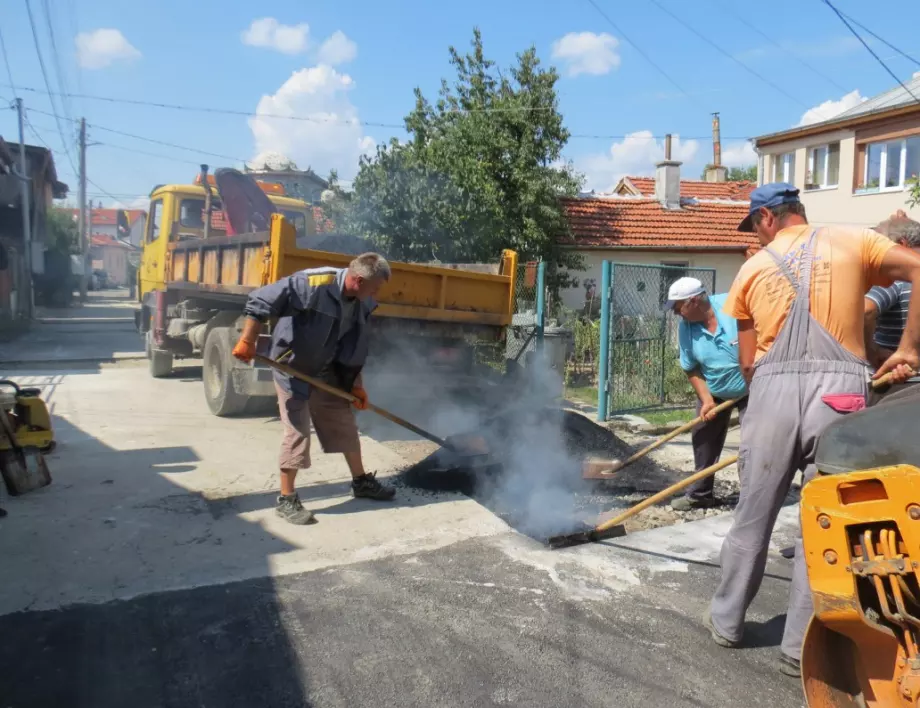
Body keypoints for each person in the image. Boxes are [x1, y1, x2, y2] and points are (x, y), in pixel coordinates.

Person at [707, 183, 920, 677]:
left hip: (773, 395)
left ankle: (726, 622)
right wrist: (909, 347)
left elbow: (746, 364)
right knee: (820, 521)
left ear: (765, 218)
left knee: (752, 515)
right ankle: (799, 647)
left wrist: (773, 397)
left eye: (752, 227)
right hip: (842, 396)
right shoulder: (854, 240)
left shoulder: (752, 269)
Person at [232, 252, 396, 526]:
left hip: (327, 371)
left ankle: (361, 482)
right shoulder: (313, 284)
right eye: (375, 287)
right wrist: (247, 340)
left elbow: (353, 347)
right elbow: (261, 299)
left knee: (344, 424)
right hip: (293, 367)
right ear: (357, 280)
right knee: (297, 432)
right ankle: (286, 499)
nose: (376, 293)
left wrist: (357, 386)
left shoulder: (361, 303)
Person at [664, 277, 748, 512]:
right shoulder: (686, 328)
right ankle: (700, 494)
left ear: (693, 301)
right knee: (702, 435)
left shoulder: (733, 306)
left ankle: (752, 499)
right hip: (715, 390)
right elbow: (691, 367)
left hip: (752, 388)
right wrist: (707, 400)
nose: (675, 314)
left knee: (753, 442)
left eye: (677, 307)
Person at [864, 212, 920, 401]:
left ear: (901, 245)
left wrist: (873, 351)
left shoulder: (895, 279)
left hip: (897, 386)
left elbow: (866, 310)